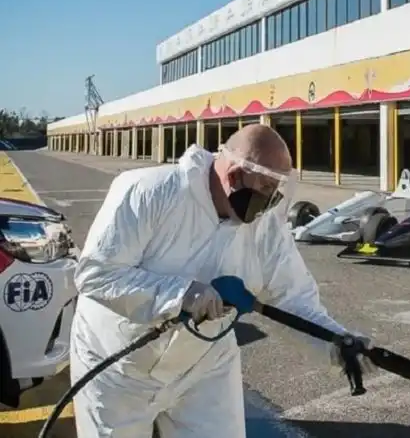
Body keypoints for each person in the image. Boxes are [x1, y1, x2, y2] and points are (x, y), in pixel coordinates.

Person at [70, 125, 372, 437]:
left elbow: (293, 299)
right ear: (235, 177)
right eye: (266, 187)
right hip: (118, 368)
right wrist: (180, 294)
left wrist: (337, 342)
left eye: (277, 189)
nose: (271, 200)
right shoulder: (149, 191)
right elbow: (96, 274)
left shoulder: (264, 226)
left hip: (203, 366)